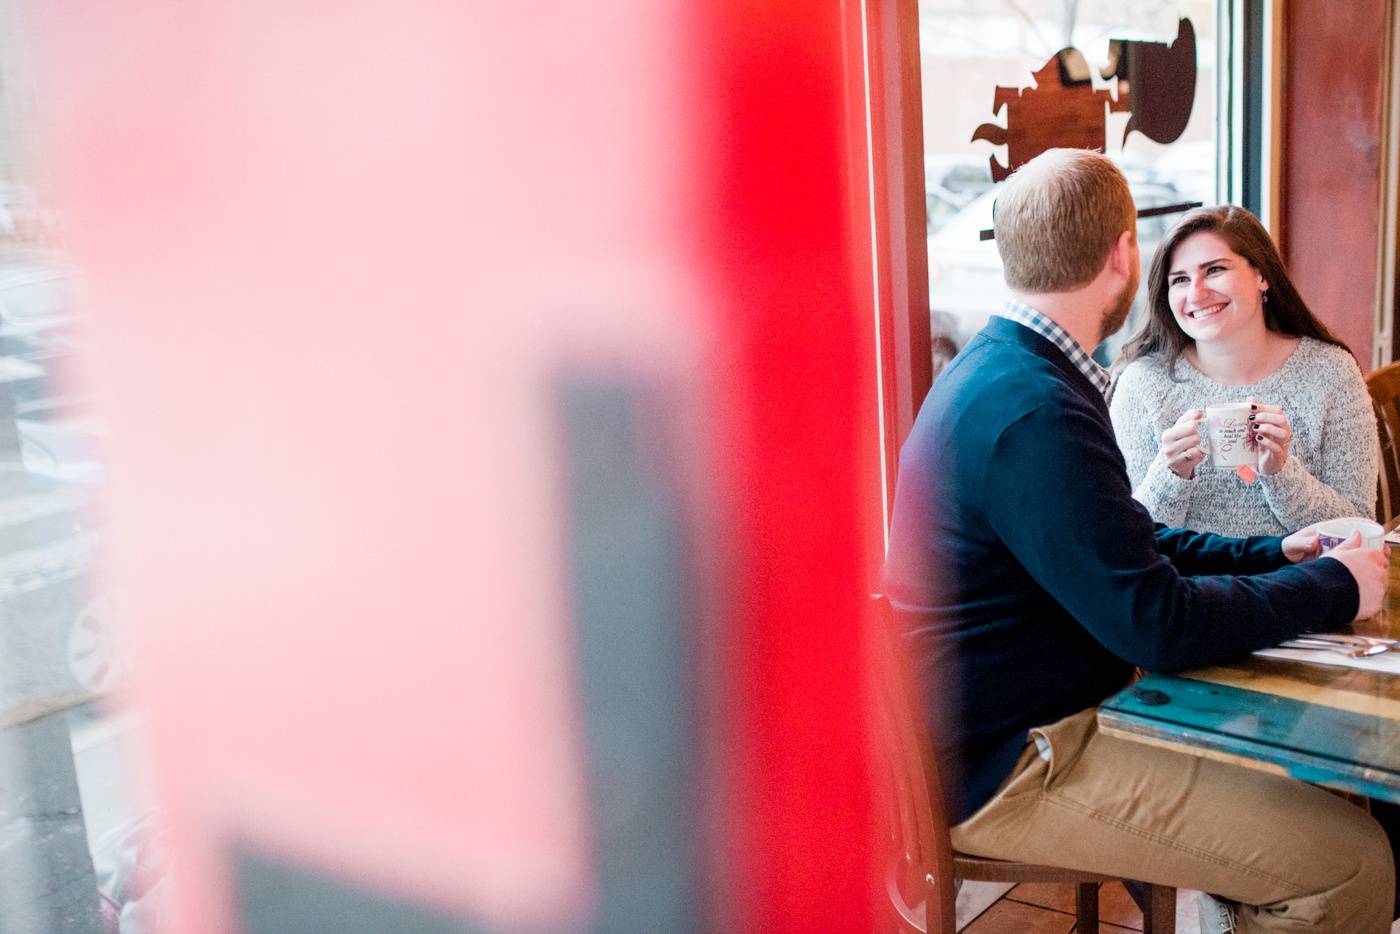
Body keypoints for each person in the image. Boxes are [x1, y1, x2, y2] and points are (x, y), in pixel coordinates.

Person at [882, 148, 1395, 933]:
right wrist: (1335, 587)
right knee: (1354, 864)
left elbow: (1126, 538)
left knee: (1308, 816)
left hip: (1038, 722)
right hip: (1021, 762)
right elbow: (1159, 623)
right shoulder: (1036, 410)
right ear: (1126, 253)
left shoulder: (1010, 371)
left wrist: (1276, 554)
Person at [1110, 205, 1377, 536]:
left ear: (1262, 275)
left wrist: (1281, 473)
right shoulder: (1142, 384)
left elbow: (1360, 528)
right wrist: (1172, 474)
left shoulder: (1331, 372)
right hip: (1193, 588)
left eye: (1215, 270)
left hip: (1300, 585)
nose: (1196, 293)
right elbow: (1127, 543)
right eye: (1180, 279)